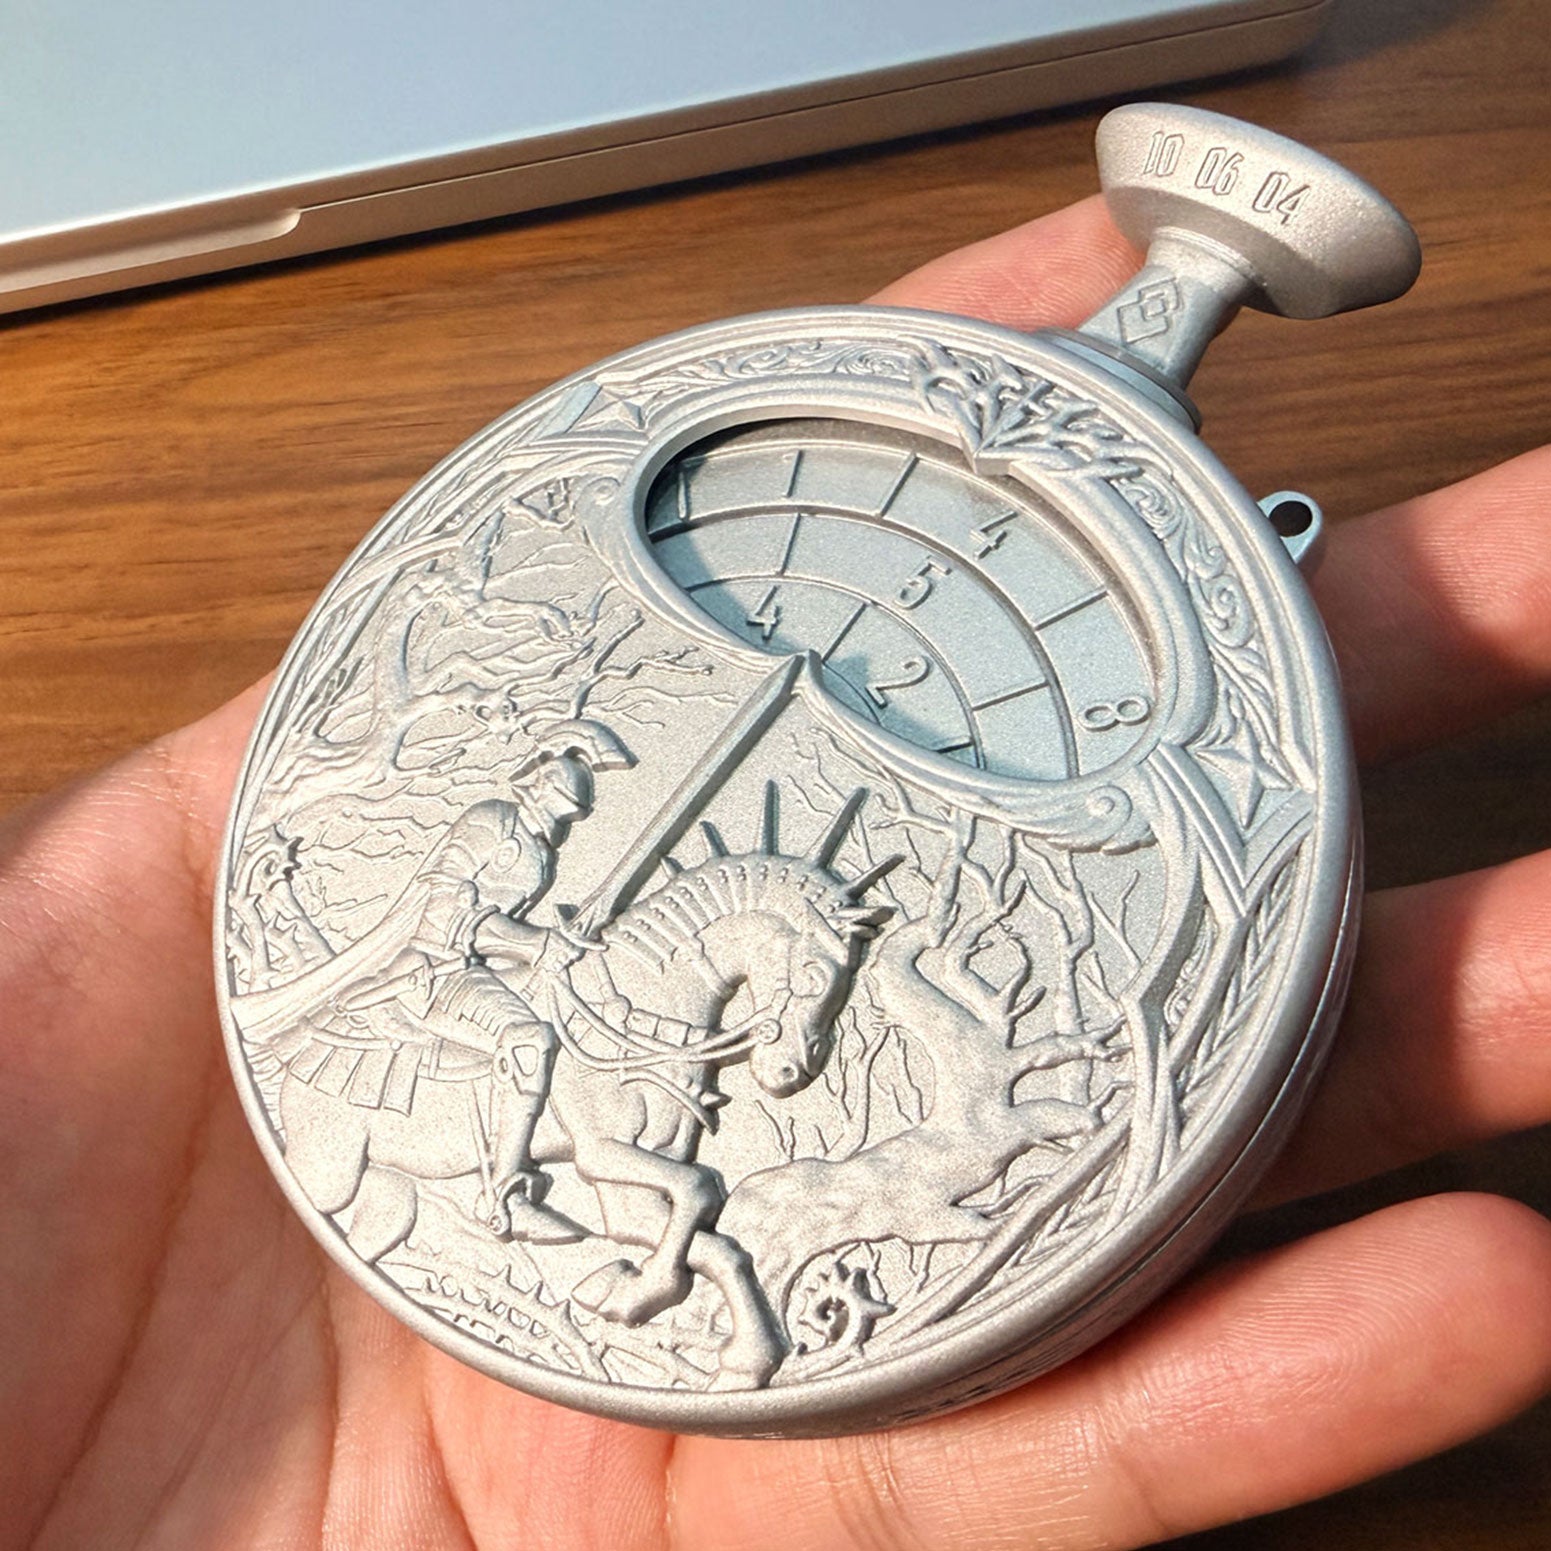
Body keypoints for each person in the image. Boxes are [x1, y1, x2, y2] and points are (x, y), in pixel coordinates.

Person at [2, 194, 1548, 1550]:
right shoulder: (486, 841)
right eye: (558, 784)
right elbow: (457, 928)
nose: (565, 798)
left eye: (567, 785)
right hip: (467, 991)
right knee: (523, 1044)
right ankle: (527, 1187)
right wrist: (538, 942)